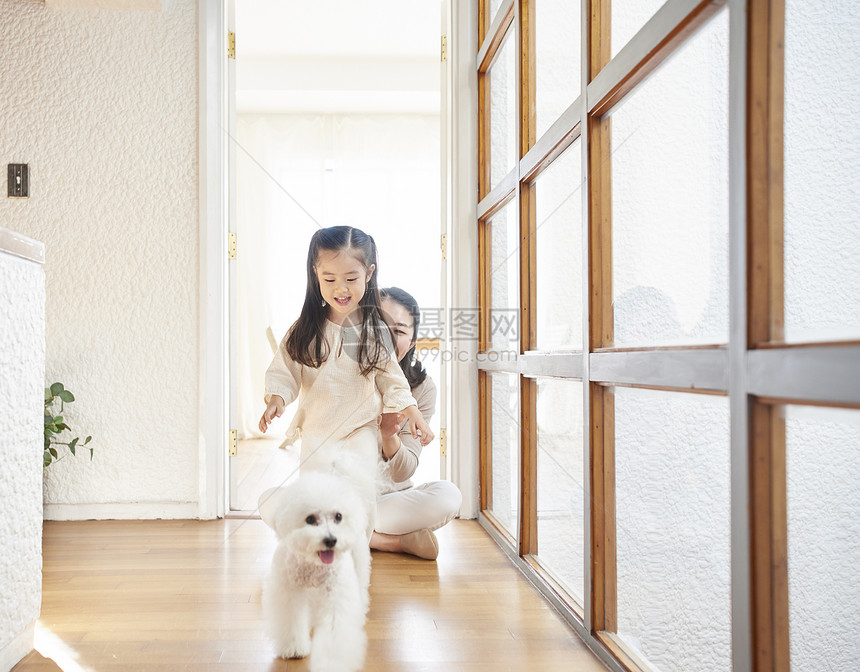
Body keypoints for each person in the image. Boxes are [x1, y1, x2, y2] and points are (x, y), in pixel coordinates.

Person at [257, 227, 434, 525]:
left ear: (369, 274)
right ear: (316, 275)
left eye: (351, 279)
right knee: (314, 500)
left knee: (360, 496)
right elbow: (285, 368)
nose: (341, 289)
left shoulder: (374, 330)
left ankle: (359, 552)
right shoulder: (305, 328)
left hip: (360, 429)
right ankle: (323, 553)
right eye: (330, 279)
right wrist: (277, 397)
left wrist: (412, 411)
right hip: (317, 431)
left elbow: (391, 377)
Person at [371, 287, 462, 561]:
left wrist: (389, 435)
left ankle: (349, 535)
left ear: (411, 344)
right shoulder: (343, 374)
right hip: (339, 498)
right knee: (273, 501)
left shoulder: (422, 390)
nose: (387, 337)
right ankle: (393, 543)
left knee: (449, 495)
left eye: (398, 331)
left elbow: (404, 471)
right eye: (379, 327)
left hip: (385, 502)